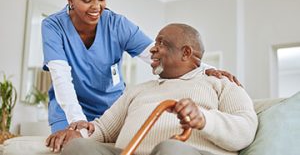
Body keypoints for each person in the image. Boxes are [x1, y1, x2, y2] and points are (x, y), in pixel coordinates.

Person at [42, 0, 240, 133]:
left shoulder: (117, 25)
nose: (97, 7)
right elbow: (61, 77)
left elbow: (157, 54)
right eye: (87, 0)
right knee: (72, 147)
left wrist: (204, 68)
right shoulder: (53, 27)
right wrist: (77, 120)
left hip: (110, 111)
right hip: (68, 111)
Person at [46, 23, 257, 155]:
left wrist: (204, 119)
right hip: (128, 152)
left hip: (185, 152)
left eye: (162, 43)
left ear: (185, 53)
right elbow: (102, 129)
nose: (153, 48)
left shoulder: (220, 83)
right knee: (78, 148)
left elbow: (246, 129)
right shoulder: (139, 90)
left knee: (171, 149)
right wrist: (77, 135)